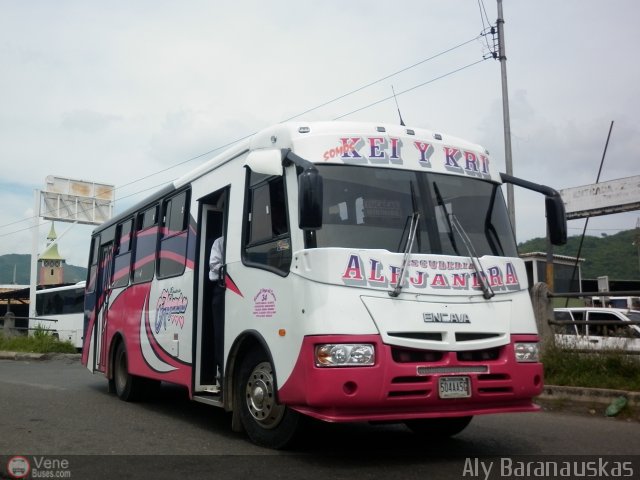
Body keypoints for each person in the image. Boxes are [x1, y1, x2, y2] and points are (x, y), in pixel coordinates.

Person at [209, 236, 225, 386]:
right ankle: (220, 373)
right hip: (221, 288)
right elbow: (214, 264)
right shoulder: (219, 242)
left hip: (238, 287)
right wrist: (230, 272)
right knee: (220, 333)